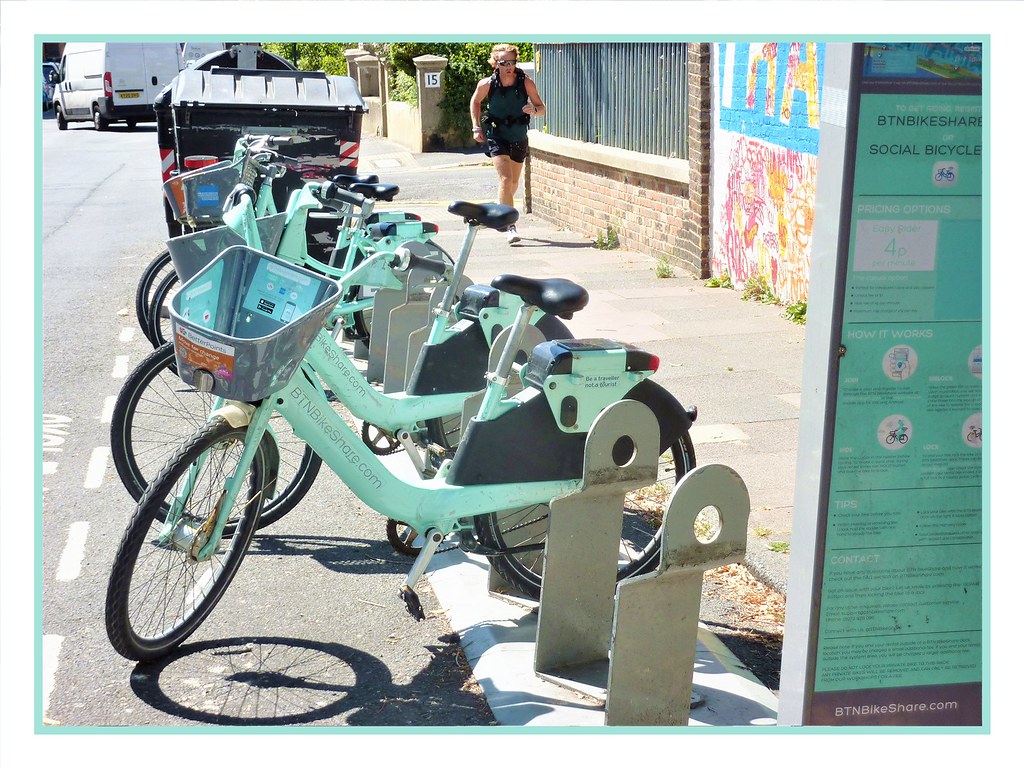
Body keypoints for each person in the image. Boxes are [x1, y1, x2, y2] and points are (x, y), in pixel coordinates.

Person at [470, 44, 546, 244]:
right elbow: (475, 101)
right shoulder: (487, 84)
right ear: (496, 64)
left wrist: (534, 110)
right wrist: (476, 127)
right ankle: (509, 224)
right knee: (505, 178)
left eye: (512, 62)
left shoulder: (526, 83)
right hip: (497, 135)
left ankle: (500, 206)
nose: (509, 66)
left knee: (513, 182)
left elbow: (542, 108)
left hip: (519, 135)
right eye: (504, 63)